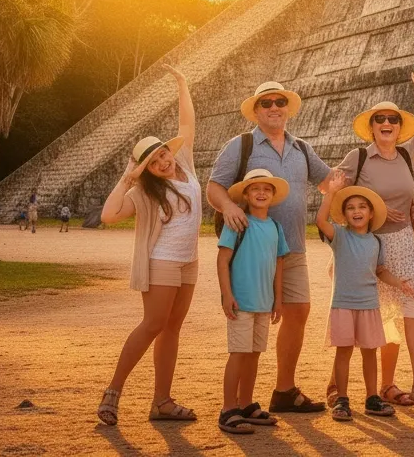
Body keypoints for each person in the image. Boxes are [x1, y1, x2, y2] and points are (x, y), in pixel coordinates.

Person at [208, 80, 335, 415]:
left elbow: (329, 182)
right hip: (252, 252)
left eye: (280, 102)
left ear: (288, 108)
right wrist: (230, 207)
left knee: (299, 311)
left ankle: (284, 389)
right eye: (267, 103)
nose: (274, 108)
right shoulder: (242, 146)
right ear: (256, 110)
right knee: (248, 320)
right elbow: (215, 188)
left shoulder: (302, 149)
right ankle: (233, 404)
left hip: (291, 247)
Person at [328, 67, 414, 411]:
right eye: (380, 119)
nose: (387, 123)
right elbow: (337, 195)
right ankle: (338, 385)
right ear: (371, 126)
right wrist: (373, 209)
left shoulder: (407, 154)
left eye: (393, 119)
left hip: (403, 242)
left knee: (409, 311)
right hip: (367, 245)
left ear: (398, 126)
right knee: (365, 314)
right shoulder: (359, 157)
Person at [96, 65, 201, 426]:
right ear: (145, 169)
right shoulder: (142, 191)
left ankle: (163, 401)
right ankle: (113, 390)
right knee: (153, 324)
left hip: (189, 261)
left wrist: (182, 84)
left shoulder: (184, 163)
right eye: (153, 162)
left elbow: (186, 125)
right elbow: (109, 215)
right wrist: (129, 175)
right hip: (162, 262)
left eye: (162, 155)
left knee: (173, 328)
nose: (162, 162)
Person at [315, 180, 414, 422]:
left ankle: (372, 396)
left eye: (362, 207)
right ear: (344, 214)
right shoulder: (339, 236)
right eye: (351, 207)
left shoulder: (376, 242)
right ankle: (341, 398)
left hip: (369, 305)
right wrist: (330, 194)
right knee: (344, 352)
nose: (357, 211)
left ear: (371, 214)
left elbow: (380, 270)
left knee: (370, 353)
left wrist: (399, 282)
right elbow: (320, 222)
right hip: (343, 304)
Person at [216, 168, 290, 435]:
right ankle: (227, 408)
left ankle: (245, 403)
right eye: (255, 188)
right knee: (238, 354)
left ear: (272, 195)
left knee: (254, 354)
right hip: (241, 301)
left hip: (264, 301)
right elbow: (223, 259)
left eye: (267, 189)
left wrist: (278, 299)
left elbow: (279, 264)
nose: (261, 192)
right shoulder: (237, 222)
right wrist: (227, 294)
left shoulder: (276, 227)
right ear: (245, 194)